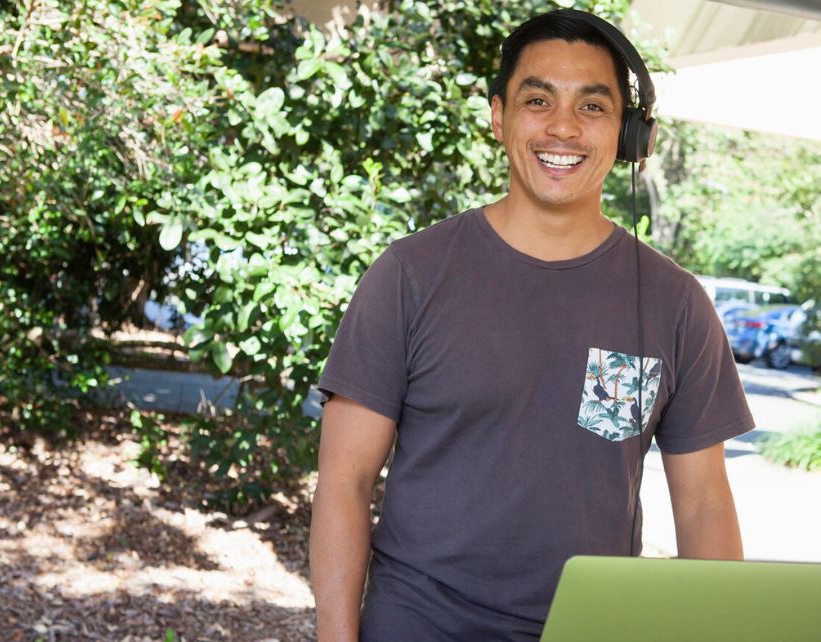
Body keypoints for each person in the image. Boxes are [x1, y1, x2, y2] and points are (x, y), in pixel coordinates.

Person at [309, 8, 753, 641]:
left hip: (588, 629)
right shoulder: (411, 275)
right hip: (417, 625)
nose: (564, 128)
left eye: (593, 107)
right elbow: (346, 481)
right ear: (499, 117)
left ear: (628, 135)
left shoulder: (675, 304)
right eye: (538, 100)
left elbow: (705, 500)